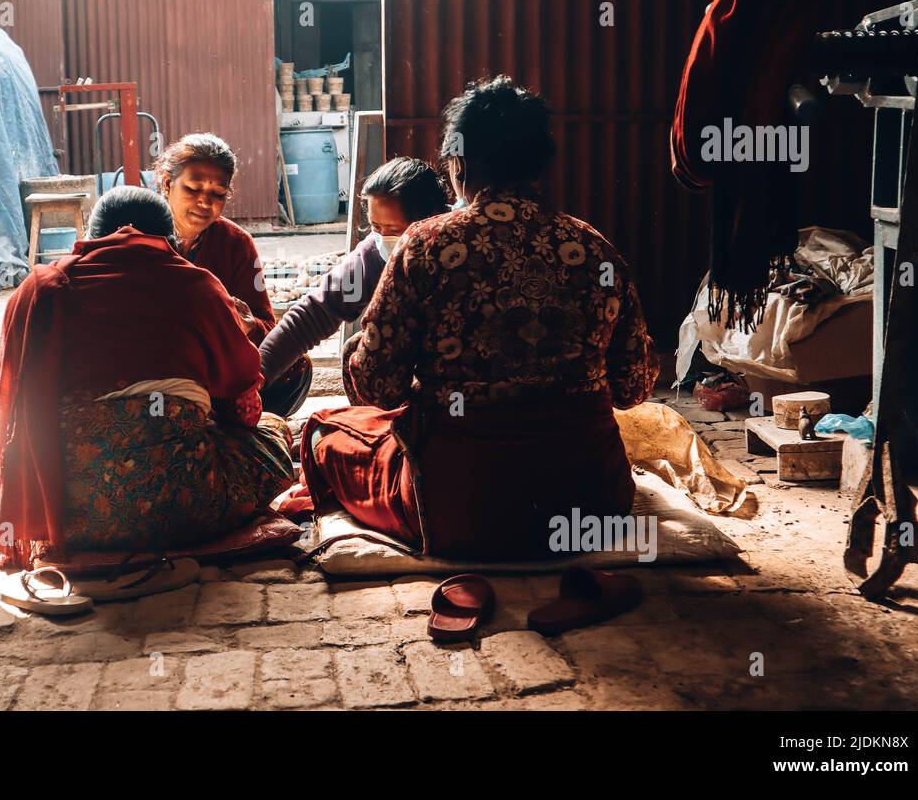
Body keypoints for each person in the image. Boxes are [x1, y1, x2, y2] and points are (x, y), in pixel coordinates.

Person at [299, 76, 659, 559]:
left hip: (460, 509)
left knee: (325, 434)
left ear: (458, 163)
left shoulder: (426, 245)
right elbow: (633, 387)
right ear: (538, 163)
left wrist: (355, 354)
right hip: (593, 507)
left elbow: (376, 389)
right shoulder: (595, 249)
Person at [0, 186, 295, 565]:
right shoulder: (198, 286)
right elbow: (244, 407)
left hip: (64, 515)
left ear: (89, 237)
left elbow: (11, 399)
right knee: (274, 431)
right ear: (168, 241)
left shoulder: (37, 291)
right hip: (183, 512)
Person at [155, 132, 312, 417]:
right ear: (167, 184)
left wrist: (250, 326)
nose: (205, 202)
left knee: (295, 366)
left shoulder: (236, 243)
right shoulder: (140, 229)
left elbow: (267, 326)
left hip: (214, 371)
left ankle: (231, 420)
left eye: (217, 194)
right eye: (193, 189)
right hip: (156, 368)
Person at [259, 157, 448, 393]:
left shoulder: (461, 243)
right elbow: (315, 312)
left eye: (395, 230)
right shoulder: (372, 256)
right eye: (376, 227)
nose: (383, 238)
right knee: (355, 348)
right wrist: (257, 375)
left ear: (432, 218)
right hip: (406, 372)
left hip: (459, 370)